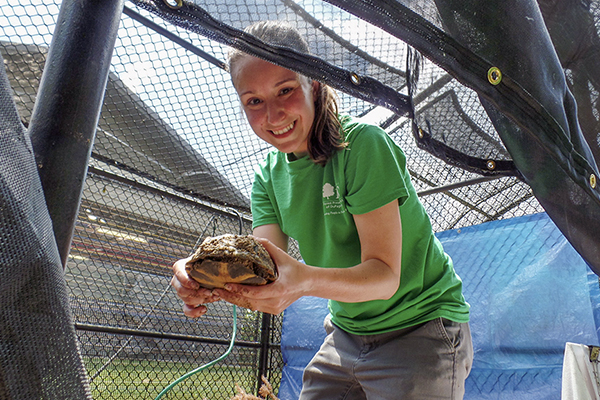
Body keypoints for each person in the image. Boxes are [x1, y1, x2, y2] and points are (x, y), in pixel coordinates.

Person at [172, 20, 473, 400]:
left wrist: (303, 280)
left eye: (285, 90)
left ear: (313, 83)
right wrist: (200, 277)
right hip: (347, 334)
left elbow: (385, 277)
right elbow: (265, 268)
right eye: (254, 101)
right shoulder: (268, 178)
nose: (274, 114)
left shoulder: (363, 146)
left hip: (420, 326)